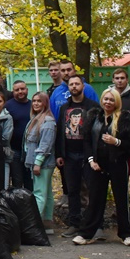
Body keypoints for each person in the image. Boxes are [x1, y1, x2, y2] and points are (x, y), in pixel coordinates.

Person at [73, 88, 130, 246]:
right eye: (106, 99)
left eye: (111, 100)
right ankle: (86, 233)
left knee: (121, 199)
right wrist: (91, 160)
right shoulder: (94, 116)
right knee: (95, 199)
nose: (108, 102)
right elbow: (86, 140)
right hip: (97, 165)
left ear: (117, 102)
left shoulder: (124, 118)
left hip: (117, 164)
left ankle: (126, 234)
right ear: (101, 100)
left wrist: (116, 142)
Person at [55, 73, 100, 237]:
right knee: (72, 190)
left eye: (77, 84)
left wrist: (97, 155)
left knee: (92, 189)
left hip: (88, 155)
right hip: (69, 155)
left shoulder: (93, 106)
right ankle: (74, 223)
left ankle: (94, 224)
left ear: (83, 86)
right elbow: (59, 131)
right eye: (71, 84)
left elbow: (98, 132)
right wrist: (59, 153)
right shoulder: (64, 108)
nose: (74, 87)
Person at [23, 93, 56, 233]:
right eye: (34, 101)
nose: (36, 103)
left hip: (43, 164)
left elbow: (45, 145)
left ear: (45, 103)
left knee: (39, 194)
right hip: (36, 162)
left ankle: (34, 226)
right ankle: (46, 223)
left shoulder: (47, 121)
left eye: (39, 101)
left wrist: (38, 163)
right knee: (46, 193)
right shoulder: (35, 119)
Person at [6, 80, 32, 189]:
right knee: (17, 181)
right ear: (13, 92)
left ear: (27, 90)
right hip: (14, 150)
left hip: (30, 150)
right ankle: (19, 204)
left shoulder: (33, 104)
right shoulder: (8, 105)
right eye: (17, 90)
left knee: (30, 181)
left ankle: (30, 204)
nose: (20, 91)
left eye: (22, 89)